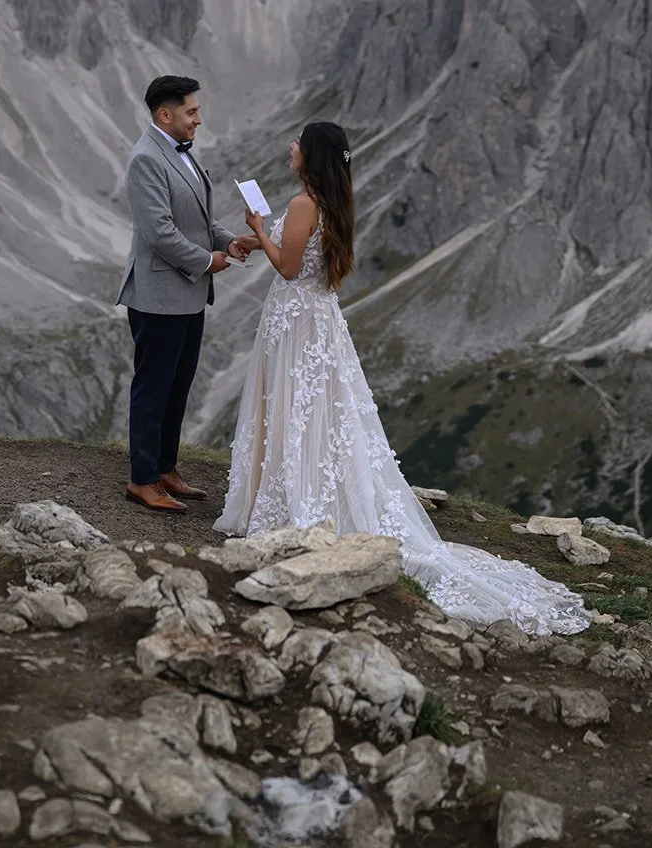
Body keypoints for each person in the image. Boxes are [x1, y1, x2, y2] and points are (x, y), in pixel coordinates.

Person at [215, 120, 591, 635]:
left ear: (312, 154)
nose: (291, 146)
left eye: (299, 142)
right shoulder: (329, 201)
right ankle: (303, 491)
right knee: (313, 410)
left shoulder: (304, 203)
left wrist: (258, 227)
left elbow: (289, 268)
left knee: (292, 406)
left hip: (295, 320)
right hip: (316, 318)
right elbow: (302, 252)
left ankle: (289, 503)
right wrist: (258, 239)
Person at [117, 75, 259, 514]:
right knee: (153, 389)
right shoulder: (146, 159)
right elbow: (159, 233)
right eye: (191, 111)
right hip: (158, 295)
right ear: (165, 114)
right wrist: (206, 261)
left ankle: (165, 468)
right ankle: (142, 480)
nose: (199, 119)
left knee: (178, 388)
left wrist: (227, 240)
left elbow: (196, 220)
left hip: (188, 294)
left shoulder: (181, 152)